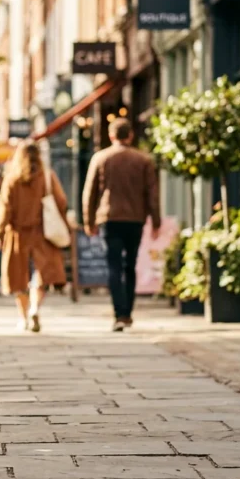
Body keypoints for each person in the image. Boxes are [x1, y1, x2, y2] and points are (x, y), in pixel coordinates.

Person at [82, 117, 161, 332]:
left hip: (110, 218)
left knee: (114, 266)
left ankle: (119, 313)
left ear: (111, 136)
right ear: (131, 135)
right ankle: (128, 313)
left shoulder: (101, 158)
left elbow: (89, 193)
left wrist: (89, 221)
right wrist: (156, 221)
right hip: (135, 219)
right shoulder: (143, 160)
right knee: (131, 265)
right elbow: (152, 193)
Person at [0, 143, 68, 333]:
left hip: (17, 234)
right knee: (41, 275)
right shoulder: (47, 176)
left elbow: (5, 209)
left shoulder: (12, 179)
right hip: (42, 233)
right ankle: (34, 308)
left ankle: (23, 317)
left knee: (18, 278)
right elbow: (61, 202)